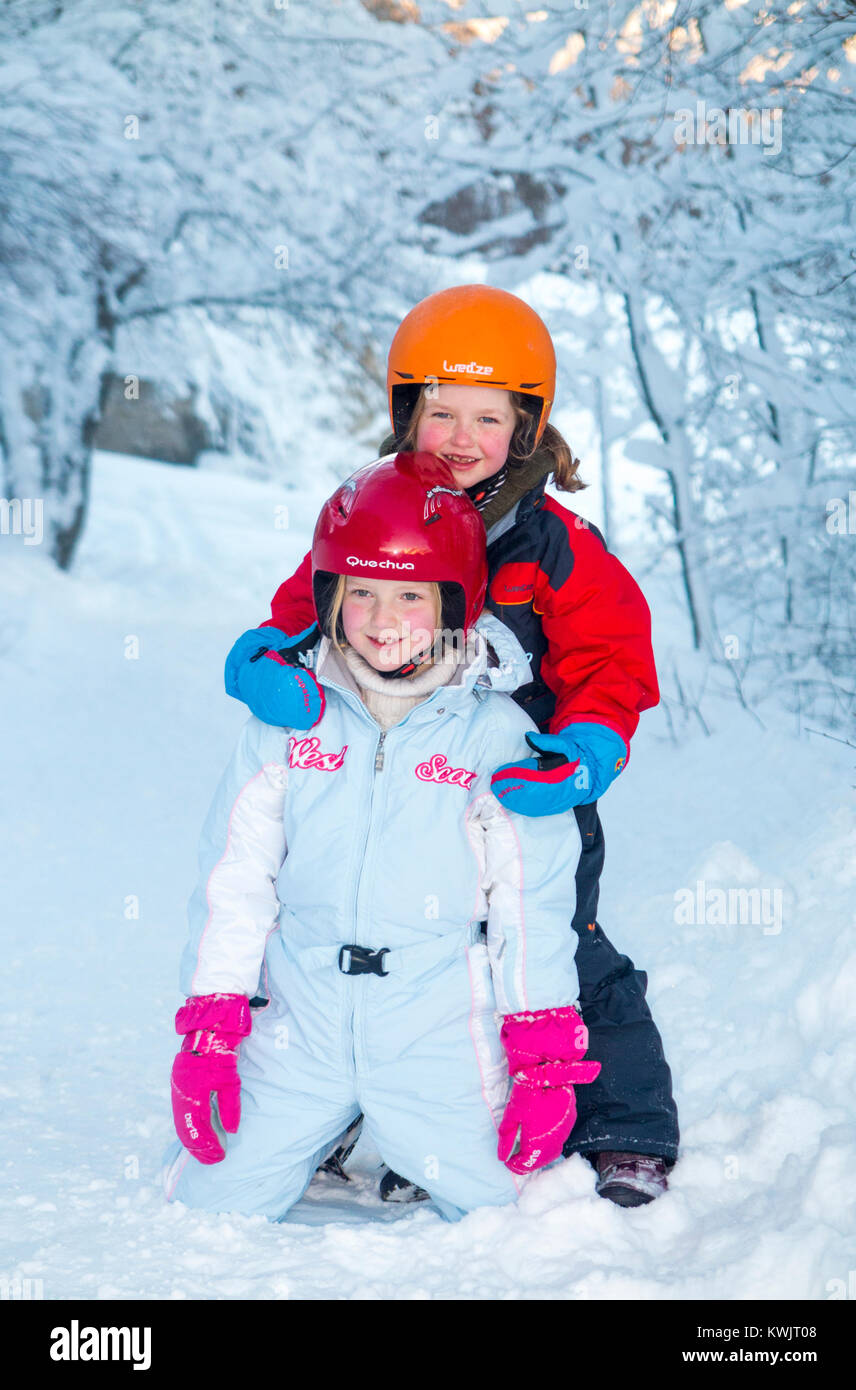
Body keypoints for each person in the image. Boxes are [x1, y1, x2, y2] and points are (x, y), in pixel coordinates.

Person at [224, 285, 679, 1208]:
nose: (461, 437)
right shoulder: (372, 506)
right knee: (349, 926)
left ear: (528, 427)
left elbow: (612, 657)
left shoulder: (554, 547)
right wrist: (266, 654)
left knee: (555, 941)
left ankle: (622, 1123)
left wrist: (586, 745)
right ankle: (340, 1102)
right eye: (440, 412)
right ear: (404, 416)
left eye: (488, 416)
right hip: (390, 779)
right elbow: (309, 602)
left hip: (520, 786)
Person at [163, 453, 601, 1223]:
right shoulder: (289, 721)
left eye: (408, 594)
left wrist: (542, 1058)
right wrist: (211, 1025)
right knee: (205, 1202)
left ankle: (412, 1139)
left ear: (454, 603)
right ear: (329, 597)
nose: (380, 617)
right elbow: (234, 881)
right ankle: (324, 1135)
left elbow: (530, 905)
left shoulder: (495, 736)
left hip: (438, 1034)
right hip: (301, 1024)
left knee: (526, 1221)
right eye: (359, 592)